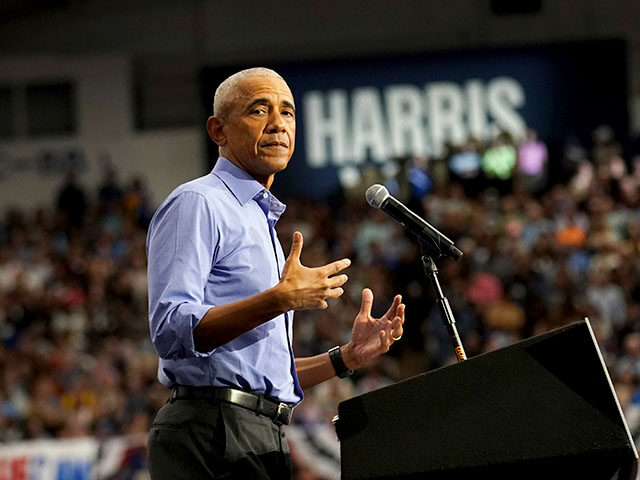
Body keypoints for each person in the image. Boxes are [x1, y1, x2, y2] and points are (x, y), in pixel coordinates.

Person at [145, 67, 405, 479]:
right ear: (218, 131)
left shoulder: (258, 218)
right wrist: (279, 299)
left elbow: (261, 373)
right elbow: (171, 329)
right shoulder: (199, 202)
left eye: (288, 112)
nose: (278, 124)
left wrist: (346, 358)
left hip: (259, 433)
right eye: (258, 110)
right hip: (211, 434)